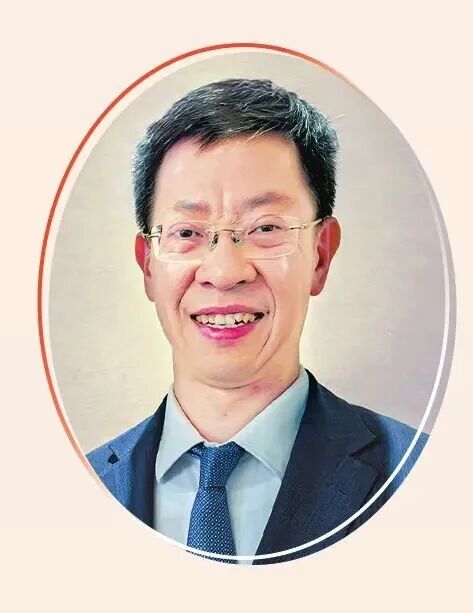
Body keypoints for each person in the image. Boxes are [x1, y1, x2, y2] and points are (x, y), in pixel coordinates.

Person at [87, 78, 428, 564]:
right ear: (148, 266)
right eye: (187, 232)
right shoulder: (78, 492)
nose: (225, 272)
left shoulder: (426, 479)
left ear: (320, 255)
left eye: (265, 228)